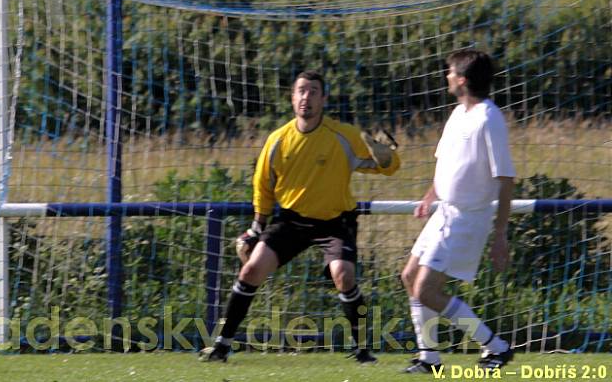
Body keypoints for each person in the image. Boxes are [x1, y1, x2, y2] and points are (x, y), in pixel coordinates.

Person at [199, 70, 401, 363]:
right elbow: (263, 185)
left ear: (324, 99)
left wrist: (387, 156)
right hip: (292, 221)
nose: (306, 97)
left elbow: (387, 166)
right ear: (292, 98)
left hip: (335, 222)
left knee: (343, 276)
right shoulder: (278, 140)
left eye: (313, 91)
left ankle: (363, 350)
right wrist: (257, 227)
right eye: (301, 91)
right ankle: (221, 345)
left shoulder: (344, 136)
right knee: (250, 271)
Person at [400, 49, 515, 374]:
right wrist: (429, 196)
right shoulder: (457, 114)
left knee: (426, 289)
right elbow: (448, 165)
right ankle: (429, 358)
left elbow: (505, 179)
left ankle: (495, 346)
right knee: (408, 277)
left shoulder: (488, 118)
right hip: (443, 213)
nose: (447, 76)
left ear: (462, 80)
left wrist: (500, 234)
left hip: (467, 218)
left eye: (450, 71)